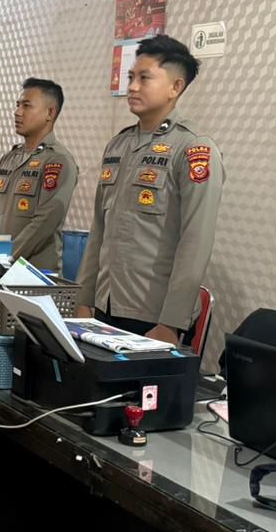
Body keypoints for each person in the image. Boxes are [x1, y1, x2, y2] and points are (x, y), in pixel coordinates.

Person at [75, 35, 223, 345]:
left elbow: (195, 242)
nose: (132, 87)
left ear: (175, 87)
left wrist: (171, 322)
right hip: (105, 304)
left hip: (153, 315)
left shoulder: (193, 149)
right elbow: (99, 230)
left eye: (145, 78)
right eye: (131, 77)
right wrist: (84, 298)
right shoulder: (118, 145)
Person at [0, 78, 78, 270]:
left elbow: (44, 224)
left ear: (50, 113)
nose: (17, 112)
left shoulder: (57, 161)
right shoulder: (9, 158)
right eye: (18, 105)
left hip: (34, 274)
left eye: (26, 106)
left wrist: (5, 258)